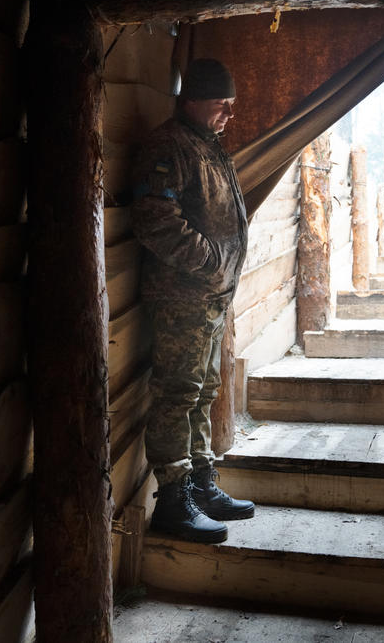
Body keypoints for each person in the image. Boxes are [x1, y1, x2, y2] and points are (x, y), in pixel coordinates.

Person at [130, 58, 255, 544]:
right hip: (183, 296)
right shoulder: (169, 145)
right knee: (178, 394)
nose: (228, 112)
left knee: (203, 391)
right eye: (221, 103)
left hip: (210, 297)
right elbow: (155, 219)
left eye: (231, 104)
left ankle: (201, 483)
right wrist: (208, 262)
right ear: (192, 100)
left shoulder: (205, 144)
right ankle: (174, 499)